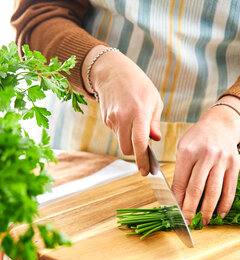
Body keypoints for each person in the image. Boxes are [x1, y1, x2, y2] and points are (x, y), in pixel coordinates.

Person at [11, 0, 240, 226]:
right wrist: (100, 66)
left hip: (218, 150)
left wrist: (232, 111)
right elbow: (37, 13)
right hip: (80, 141)